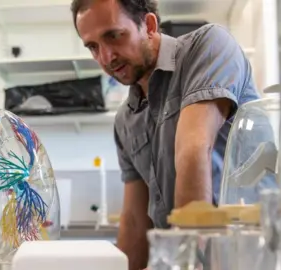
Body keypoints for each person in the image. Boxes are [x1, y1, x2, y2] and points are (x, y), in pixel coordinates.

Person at [71, 0, 260, 269]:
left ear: (148, 25)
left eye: (113, 36)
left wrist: (182, 262)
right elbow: (136, 220)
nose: (106, 57)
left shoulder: (208, 46)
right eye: (93, 47)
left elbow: (193, 150)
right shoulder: (125, 120)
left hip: (242, 258)